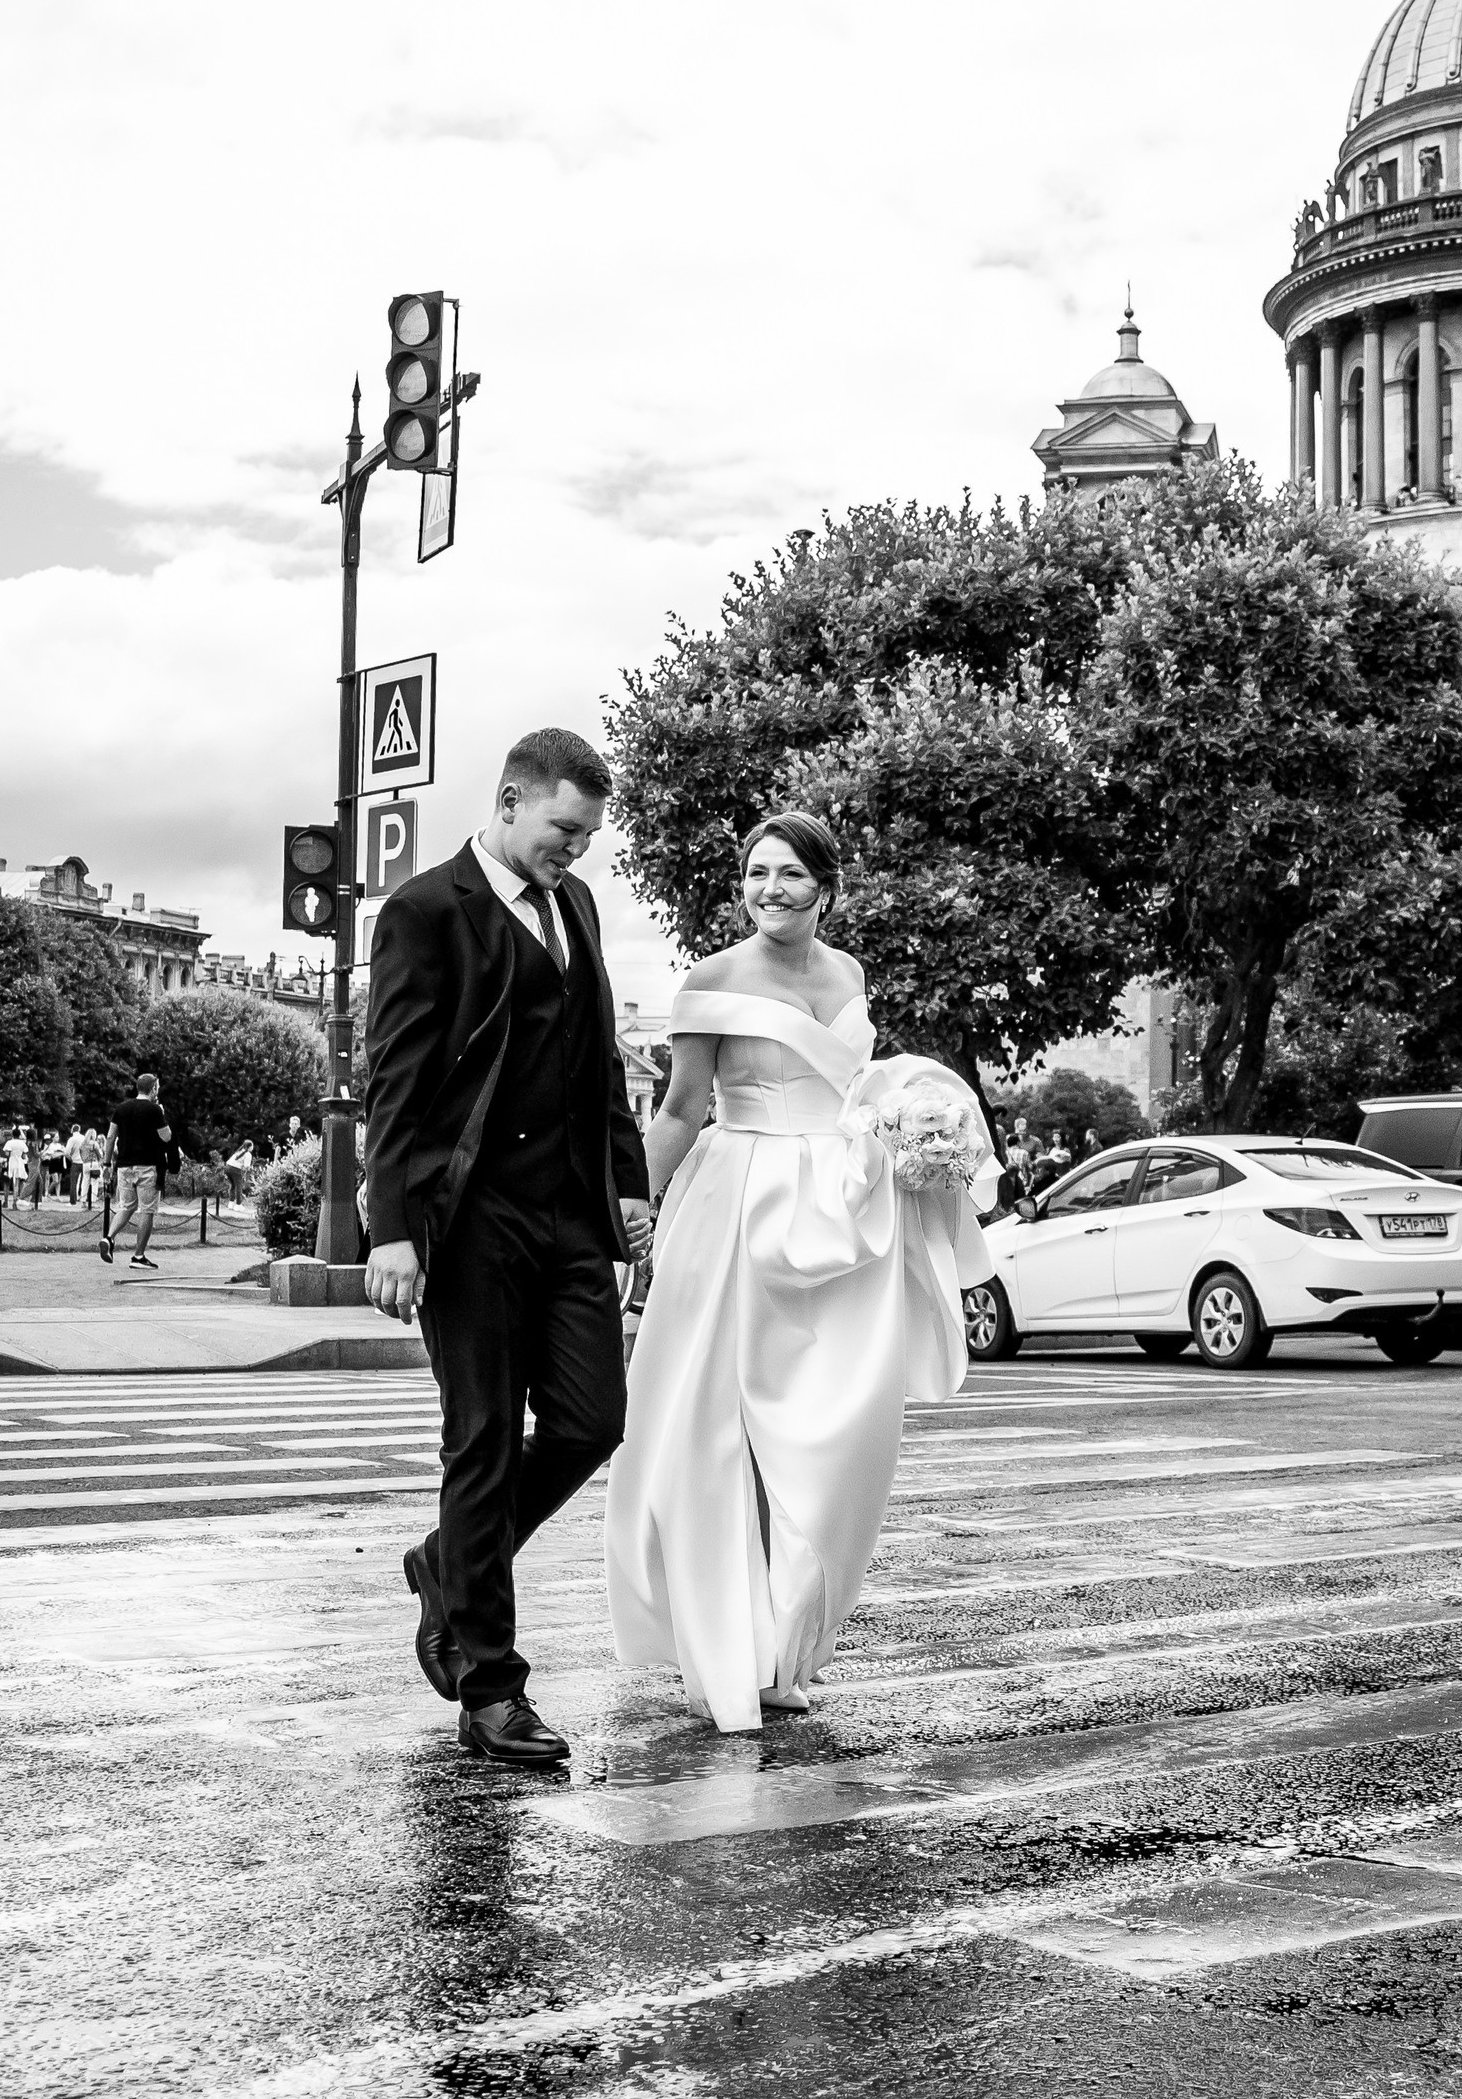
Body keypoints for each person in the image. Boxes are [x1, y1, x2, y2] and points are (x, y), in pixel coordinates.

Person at [606, 810, 997, 1734]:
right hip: (741, 1204)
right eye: (754, 872)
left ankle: (787, 1640)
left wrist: (909, 1132)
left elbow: (855, 1093)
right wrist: (627, 1205)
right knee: (722, 1429)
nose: (767, 889)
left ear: (826, 885)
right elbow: (678, 1112)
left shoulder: (849, 974)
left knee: (837, 1432)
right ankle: (730, 1650)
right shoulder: (712, 980)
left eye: (787, 873)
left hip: (847, 1210)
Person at [362, 728, 654, 1769]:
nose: (572, 851)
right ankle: (489, 1684)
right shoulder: (424, 911)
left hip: (570, 1215)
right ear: (512, 798)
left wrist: (627, 1186)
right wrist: (391, 1225)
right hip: (470, 1220)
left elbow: (601, 1064)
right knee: (480, 1441)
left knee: (591, 1421)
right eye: (563, 829)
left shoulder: (575, 906)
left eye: (586, 837)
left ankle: (447, 1562)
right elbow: (393, 1078)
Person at [103, 1078, 170, 1268]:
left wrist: (107, 1163)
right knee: (147, 1210)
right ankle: (138, 1256)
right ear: (153, 1089)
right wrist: (162, 1115)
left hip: (125, 1166)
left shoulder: (121, 1108)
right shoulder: (155, 1110)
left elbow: (110, 1136)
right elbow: (166, 1136)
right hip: (147, 1166)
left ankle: (108, 1238)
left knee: (127, 1206)